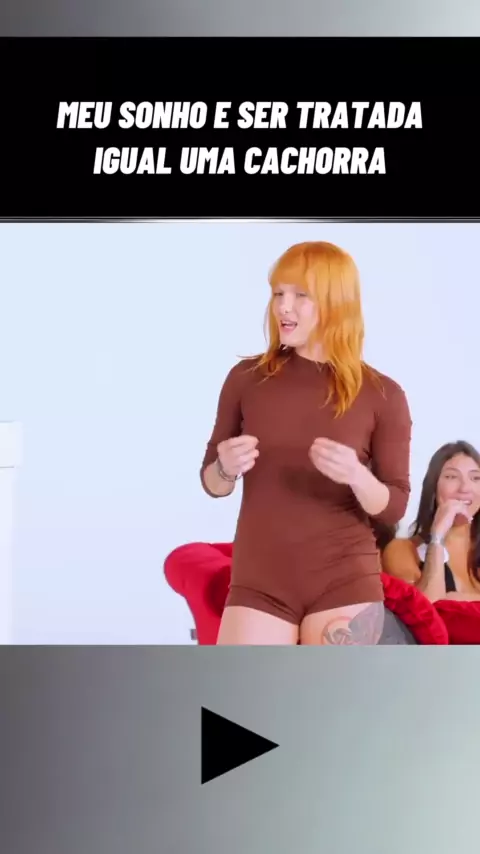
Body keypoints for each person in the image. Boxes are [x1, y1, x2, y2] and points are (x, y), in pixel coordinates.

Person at [200, 240, 412, 645]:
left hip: (345, 581)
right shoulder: (246, 379)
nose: (283, 307)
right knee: (240, 688)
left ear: (335, 303)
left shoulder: (383, 394)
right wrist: (224, 467)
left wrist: (357, 476)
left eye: (300, 295)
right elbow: (212, 484)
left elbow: (394, 506)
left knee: (335, 689)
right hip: (259, 581)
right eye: (278, 293)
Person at [382, 440, 480, 602]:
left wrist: (454, 598)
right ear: (433, 488)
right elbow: (425, 607)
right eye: (451, 477)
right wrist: (437, 538)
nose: (464, 488)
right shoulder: (403, 550)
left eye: (475, 478)